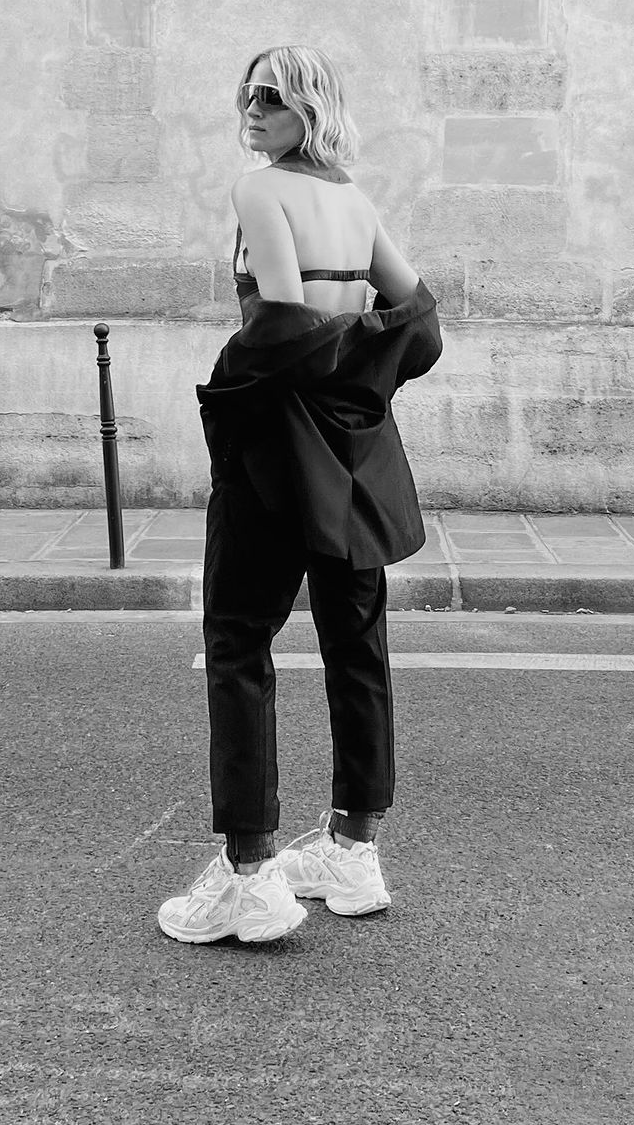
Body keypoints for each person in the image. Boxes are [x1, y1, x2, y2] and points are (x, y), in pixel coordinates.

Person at [158, 46, 442, 945]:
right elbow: (422, 327)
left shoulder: (259, 191)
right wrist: (362, 381)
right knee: (357, 643)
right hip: (356, 453)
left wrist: (225, 388)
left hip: (277, 451)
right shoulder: (352, 200)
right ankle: (353, 851)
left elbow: (282, 321)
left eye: (272, 96)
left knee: (238, 641)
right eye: (247, 93)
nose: (252, 108)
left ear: (308, 108)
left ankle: (250, 878)